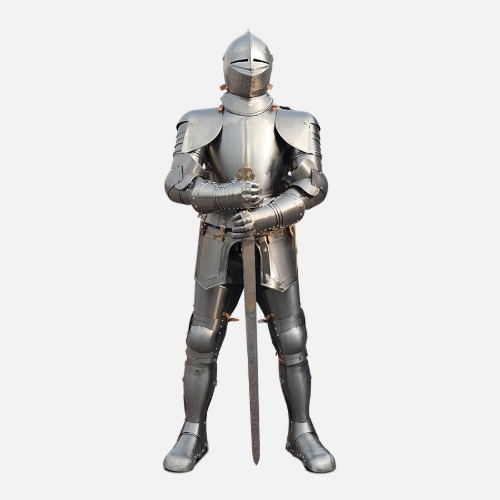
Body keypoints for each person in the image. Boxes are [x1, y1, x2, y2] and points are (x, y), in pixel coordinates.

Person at [163, 31, 335, 473]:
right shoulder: (199, 121)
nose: (250, 70)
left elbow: (313, 184)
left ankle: (301, 430)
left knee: (292, 340)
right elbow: (178, 183)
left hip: (274, 241)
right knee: (201, 339)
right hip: (218, 241)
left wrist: (266, 215)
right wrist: (224, 195)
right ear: (225, 68)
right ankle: (192, 431)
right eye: (243, 64)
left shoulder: (296, 121)